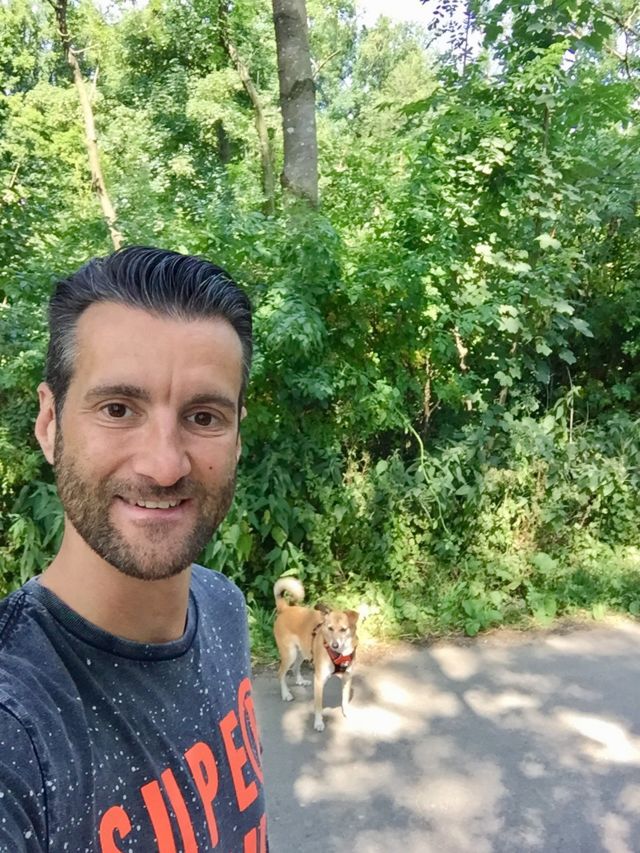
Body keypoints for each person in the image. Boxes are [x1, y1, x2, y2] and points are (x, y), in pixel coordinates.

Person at [0, 246, 268, 852]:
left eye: (204, 417)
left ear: (236, 436)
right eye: (118, 409)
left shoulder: (222, 605)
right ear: (49, 424)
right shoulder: (17, 724)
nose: (165, 465)